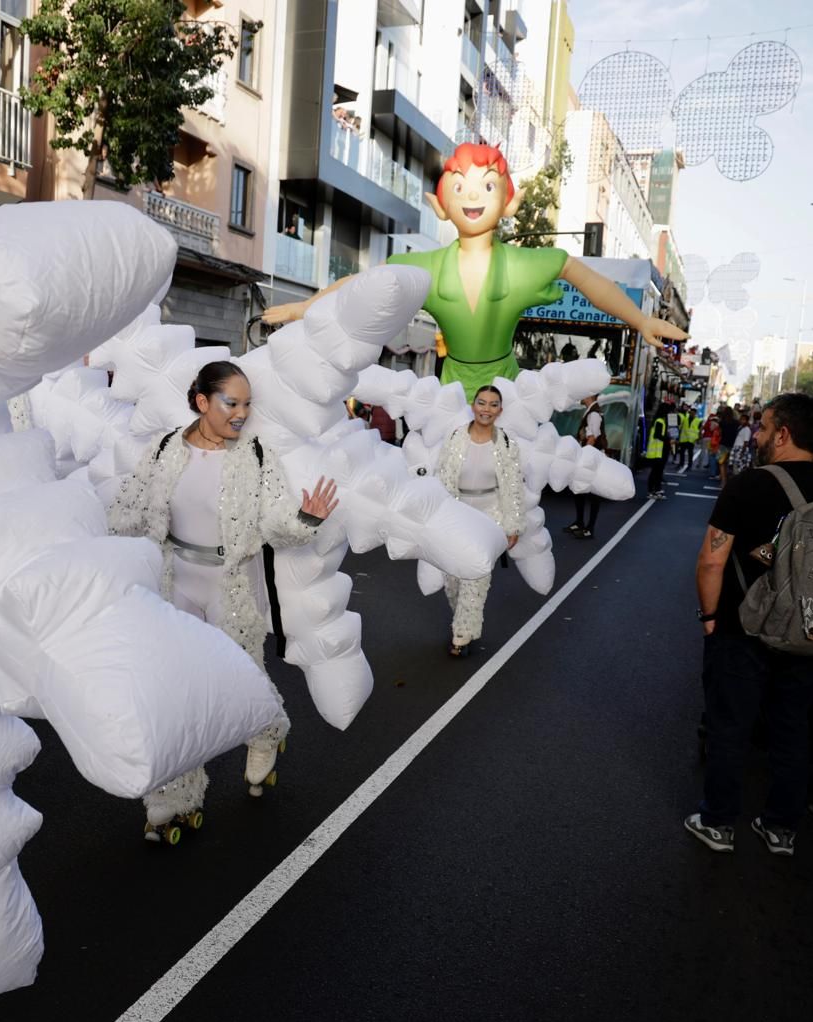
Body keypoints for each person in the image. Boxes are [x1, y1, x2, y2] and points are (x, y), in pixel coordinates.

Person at [108, 361, 339, 838]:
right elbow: (130, 508)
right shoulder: (167, 448)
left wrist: (306, 519)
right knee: (179, 691)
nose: (242, 413)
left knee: (241, 678)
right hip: (176, 583)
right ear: (202, 402)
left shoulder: (256, 455)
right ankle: (175, 796)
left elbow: (276, 522)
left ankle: (265, 733)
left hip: (231, 584)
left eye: (248, 403)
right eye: (232, 403)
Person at [262, 142, 687, 400]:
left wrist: (640, 319)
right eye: (459, 186)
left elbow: (587, 280)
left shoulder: (523, 264)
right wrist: (305, 307)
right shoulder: (426, 267)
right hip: (448, 388)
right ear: (440, 204)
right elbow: (357, 285)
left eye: (487, 186)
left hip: (508, 389)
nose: (472, 196)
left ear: (509, 203)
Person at [688, 393, 813, 856]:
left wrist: (710, 617)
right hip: (812, 632)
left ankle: (718, 823)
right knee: (792, 729)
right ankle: (780, 828)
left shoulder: (747, 486)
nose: (759, 434)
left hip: (742, 628)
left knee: (731, 726)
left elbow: (712, 560)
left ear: (784, 433)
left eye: (765, 427)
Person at [436, 385, 525, 656]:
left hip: (490, 518)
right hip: (457, 514)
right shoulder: (455, 438)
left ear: (500, 410)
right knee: (453, 580)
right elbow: (442, 478)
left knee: (475, 579)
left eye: (493, 404)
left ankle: (461, 636)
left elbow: (512, 487)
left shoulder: (507, 443)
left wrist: (512, 525)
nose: (487, 409)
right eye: (482, 403)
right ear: (473, 406)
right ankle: (462, 618)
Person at [566, 393, 606, 539]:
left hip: (592, 458)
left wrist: (583, 457)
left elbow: (592, 438)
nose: (580, 395)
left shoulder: (594, 414)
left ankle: (589, 528)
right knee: (579, 489)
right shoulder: (591, 411)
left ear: (590, 395)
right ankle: (580, 522)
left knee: (594, 492)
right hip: (590, 456)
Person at [645, 401, 671, 500]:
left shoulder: (659, 421)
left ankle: (654, 490)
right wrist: (668, 438)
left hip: (658, 451)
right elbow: (658, 435)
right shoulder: (660, 421)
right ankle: (654, 490)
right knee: (656, 472)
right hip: (658, 452)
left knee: (656, 472)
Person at [716, 406, 740, 486]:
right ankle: (730, 482)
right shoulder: (736, 423)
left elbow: (719, 433)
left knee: (722, 463)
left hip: (722, 444)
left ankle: (723, 481)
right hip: (733, 445)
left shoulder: (722, 422)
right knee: (731, 464)